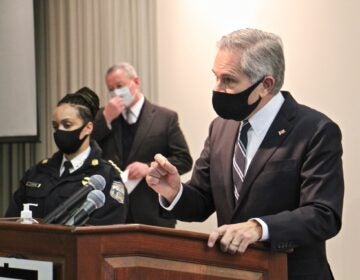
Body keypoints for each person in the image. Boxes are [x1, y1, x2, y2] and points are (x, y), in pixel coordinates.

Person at [146, 28, 344, 280]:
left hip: (290, 273)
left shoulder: (315, 130)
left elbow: (323, 214)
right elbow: (202, 201)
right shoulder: (221, 127)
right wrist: (174, 192)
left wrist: (259, 228)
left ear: (266, 85)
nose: (217, 88)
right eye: (216, 77)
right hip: (235, 273)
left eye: (229, 80)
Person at [6, 87, 128, 225]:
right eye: (56, 126)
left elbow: (109, 232)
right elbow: (11, 223)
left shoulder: (106, 177)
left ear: (88, 128)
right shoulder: (37, 172)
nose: (60, 132)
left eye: (67, 125)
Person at [92, 62, 192, 227]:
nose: (116, 92)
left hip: (152, 213)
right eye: (111, 89)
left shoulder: (165, 118)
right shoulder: (104, 116)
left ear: (136, 82)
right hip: (112, 213)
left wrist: (148, 168)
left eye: (120, 86)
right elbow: (87, 150)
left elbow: (184, 160)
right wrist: (106, 119)